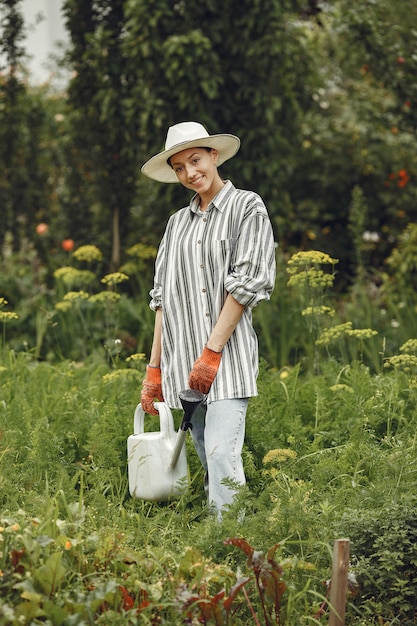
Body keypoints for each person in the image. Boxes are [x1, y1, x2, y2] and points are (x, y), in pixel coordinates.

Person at [140, 121, 276, 518]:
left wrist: (212, 352)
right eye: (180, 167)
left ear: (213, 156)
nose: (190, 173)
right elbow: (162, 299)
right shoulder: (175, 225)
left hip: (226, 361)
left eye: (195, 160)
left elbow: (247, 282)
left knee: (220, 455)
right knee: (207, 456)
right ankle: (224, 549)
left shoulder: (246, 207)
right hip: (183, 365)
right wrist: (154, 368)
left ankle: (231, 550)